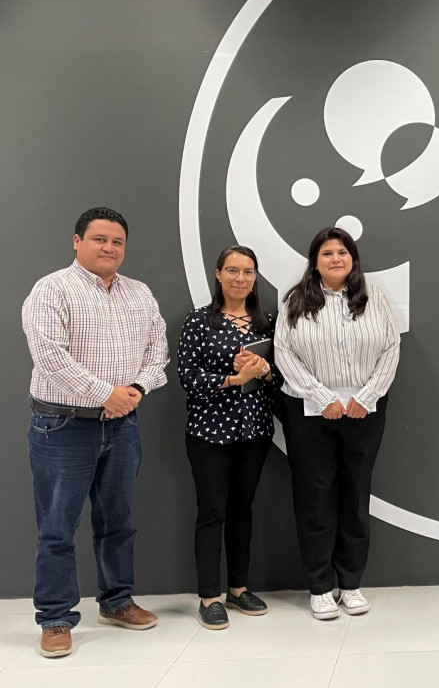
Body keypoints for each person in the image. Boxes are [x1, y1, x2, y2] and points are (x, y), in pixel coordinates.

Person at [21, 207, 169, 658]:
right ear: (77, 241)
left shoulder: (139, 293)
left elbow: (158, 349)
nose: (109, 248)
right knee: (57, 527)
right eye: (100, 239)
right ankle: (55, 618)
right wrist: (106, 393)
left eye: (117, 242)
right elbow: (50, 356)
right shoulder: (51, 290)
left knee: (118, 520)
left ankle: (117, 601)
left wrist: (137, 389)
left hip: (122, 426)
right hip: (62, 426)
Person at [275, 227, 400, 620]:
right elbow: (284, 353)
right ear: (315, 261)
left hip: (364, 413)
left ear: (353, 259)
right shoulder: (296, 299)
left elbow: (391, 348)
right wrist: (321, 398)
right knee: (315, 500)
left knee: (355, 497)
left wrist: (366, 397)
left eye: (342, 252)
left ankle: (350, 583)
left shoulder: (374, 297)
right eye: (327, 253)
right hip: (311, 415)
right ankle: (319, 587)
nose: (335, 259)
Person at [177, 245, 277, 630]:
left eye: (248, 272)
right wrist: (234, 379)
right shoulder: (199, 321)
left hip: (254, 431)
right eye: (232, 270)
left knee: (242, 509)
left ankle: (238, 588)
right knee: (212, 511)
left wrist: (264, 369)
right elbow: (188, 377)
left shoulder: (266, 322)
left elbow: (282, 378)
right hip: (209, 433)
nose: (240, 278)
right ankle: (209, 596)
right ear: (218, 274)